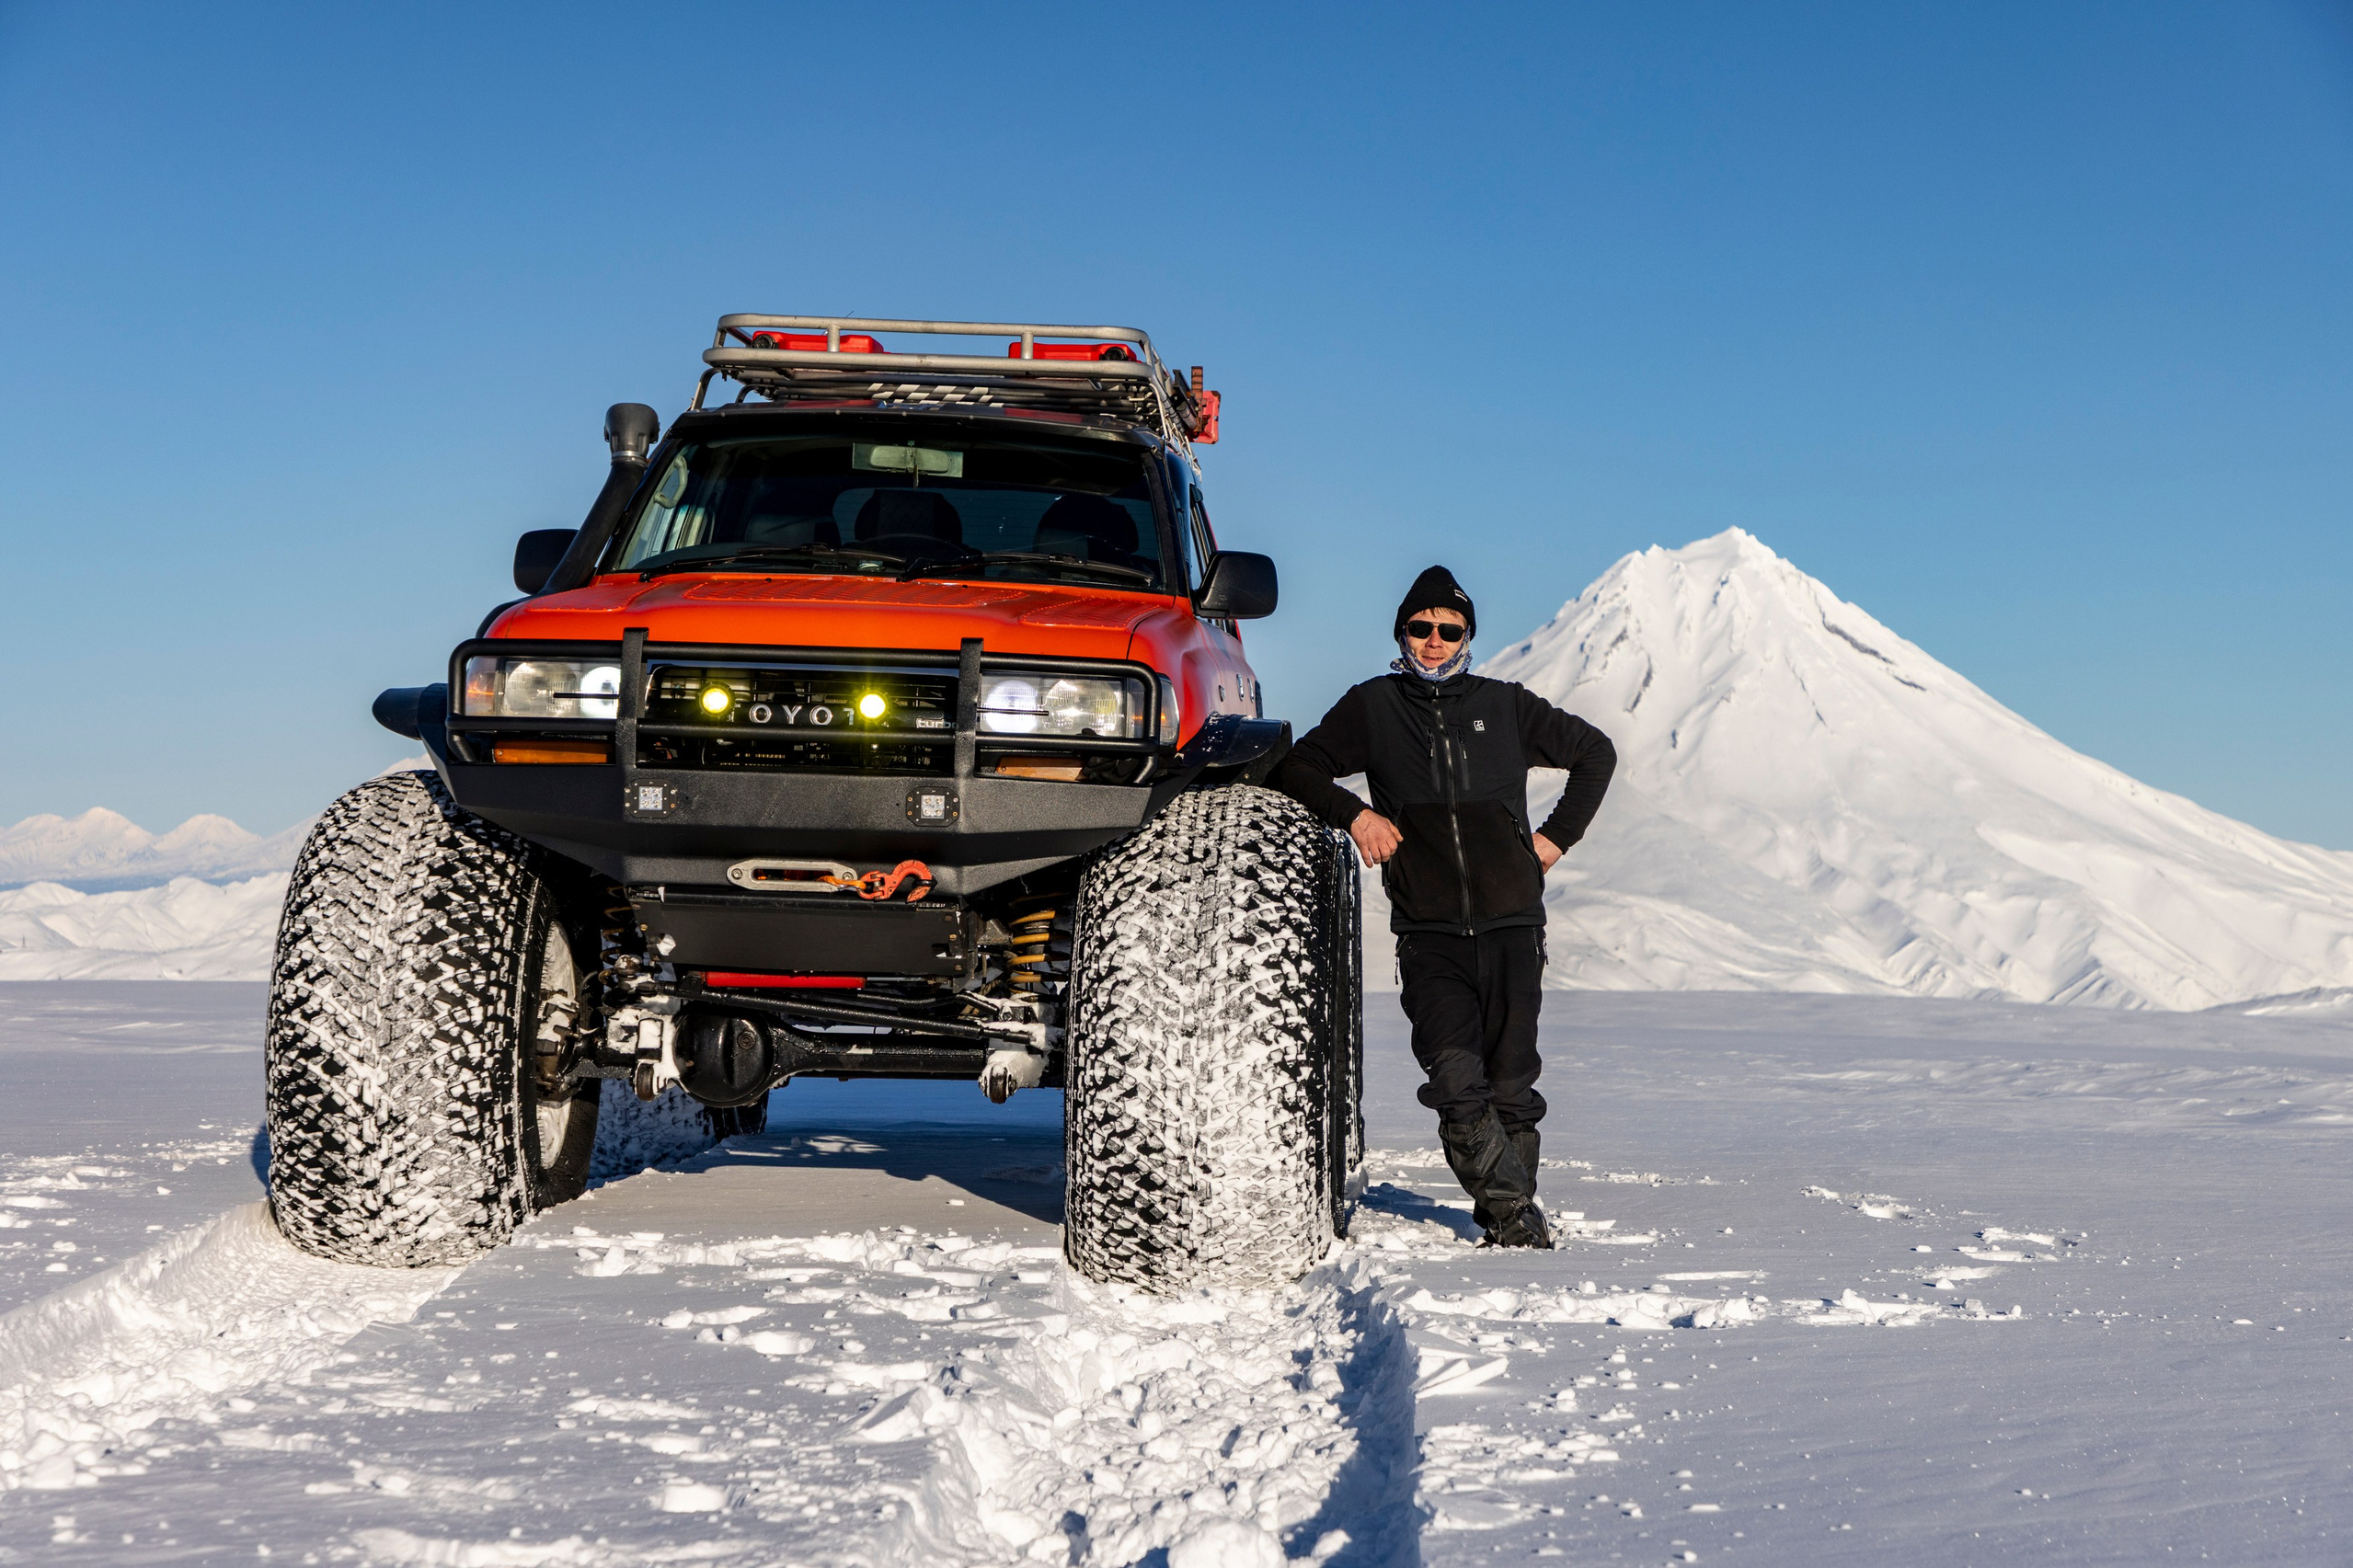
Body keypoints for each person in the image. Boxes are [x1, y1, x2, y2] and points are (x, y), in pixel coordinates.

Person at [1274, 566, 1615, 1247]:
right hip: (1429, 932)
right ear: (1402, 634)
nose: (1433, 641)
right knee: (1457, 1078)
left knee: (1513, 1082)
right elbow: (1293, 766)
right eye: (1420, 628)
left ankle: (1509, 1214)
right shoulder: (1374, 706)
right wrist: (1356, 815)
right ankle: (1517, 1214)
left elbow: (1595, 753)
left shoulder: (1507, 705)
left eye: (1448, 629)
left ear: (1467, 636)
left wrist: (1551, 841)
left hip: (1515, 922)